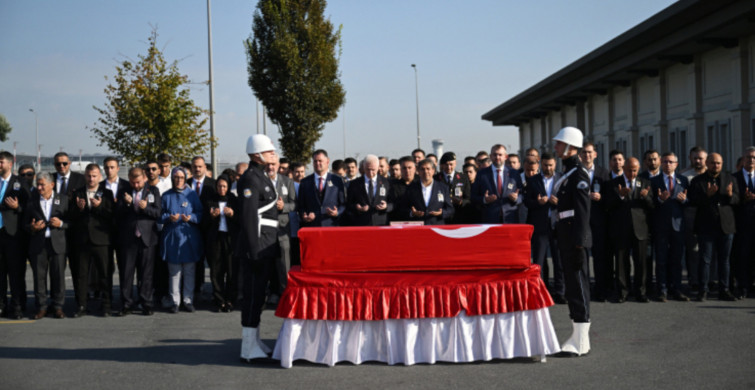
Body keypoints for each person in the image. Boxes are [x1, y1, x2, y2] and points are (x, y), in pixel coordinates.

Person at [238, 134, 279, 362]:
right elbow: (248, 217)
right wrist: (254, 250)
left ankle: (255, 340)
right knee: (252, 296)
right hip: (257, 245)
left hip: (266, 243)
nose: (273, 155)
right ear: (257, 154)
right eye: (269, 152)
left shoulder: (260, 175)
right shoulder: (250, 179)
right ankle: (247, 346)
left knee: (259, 295)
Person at [551, 126, 591, 357]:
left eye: (559, 143)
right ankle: (577, 336)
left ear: (569, 147)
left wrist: (580, 244)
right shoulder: (567, 172)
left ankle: (582, 339)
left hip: (574, 238)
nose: (555, 147)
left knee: (578, 286)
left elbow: (583, 214)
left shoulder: (579, 175)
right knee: (572, 286)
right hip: (566, 235)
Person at [689, 153, 739, 301]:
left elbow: (737, 200)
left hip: (726, 226)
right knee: (705, 259)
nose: (715, 166)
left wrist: (730, 195)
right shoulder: (698, 181)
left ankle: (724, 290)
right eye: (712, 163)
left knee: (725, 260)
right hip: (706, 226)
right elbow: (693, 201)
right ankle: (703, 290)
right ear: (707, 164)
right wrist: (707, 196)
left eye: (718, 163)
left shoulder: (731, 179)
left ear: (722, 163)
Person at [606, 157, 653, 303]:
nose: (631, 173)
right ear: (624, 169)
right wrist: (620, 196)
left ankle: (641, 292)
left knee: (641, 262)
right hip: (621, 228)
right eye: (629, 170)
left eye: (634, 170)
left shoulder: (645, 183)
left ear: (638, 169)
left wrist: (645, 198)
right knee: (621, 262)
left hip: (640, 229)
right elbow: (607, 206)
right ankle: (622, 292)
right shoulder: (613, 184)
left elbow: (652, 207)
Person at [69, 163, 114, 317]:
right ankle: (81, 305)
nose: (91, 179)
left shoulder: (106, 193)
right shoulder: (78, 193)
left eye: (94, 176)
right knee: (81, 275)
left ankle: (106, 305)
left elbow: (111, 216)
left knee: (104, 274)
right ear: (85, 176)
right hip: (82, 240)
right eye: (88, 175)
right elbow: (71, 216)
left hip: (101, 240)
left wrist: (99, 207)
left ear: (100, 177)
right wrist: (79, 209)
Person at [115, 167, 161, 316]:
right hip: (128, 239)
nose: (135, 185)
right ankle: (127, 303)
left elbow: (157, 213)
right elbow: (116, 213)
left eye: (138, 182)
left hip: (147, 238)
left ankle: (146, 303)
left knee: (146, 273)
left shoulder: (153, 191)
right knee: (126, 273)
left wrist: (146, 207)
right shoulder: (124, 191)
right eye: (133, 182)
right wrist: (127, 204)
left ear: (144, 178)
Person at [24, 172, 69, 319]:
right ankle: (41, 307)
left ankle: (58, 306)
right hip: (39, 244)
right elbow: (24, 224)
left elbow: (72, 222)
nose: (39, 187)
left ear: (52, 185)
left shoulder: (63, 200)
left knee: (58, 276)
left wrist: (61, 224)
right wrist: (32, 228)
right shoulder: (32, 201)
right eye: (38, 184)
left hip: (57, 243)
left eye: (42, 184)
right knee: (39, 277)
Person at [160, 167, 203, 313]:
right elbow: (159, 215)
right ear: (172, 179)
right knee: (174, 272)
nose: (179, 180)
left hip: (188, 237)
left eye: (182, 178)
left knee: (189, 270)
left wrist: (191, 218)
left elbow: (200, 213)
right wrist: (168, 217)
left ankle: (188, 300)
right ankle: (175, 301)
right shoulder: (166, 196)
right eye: (176, 177)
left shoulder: (192, 195)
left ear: (185, 179)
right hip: (172, 237)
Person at [523, 153, 564, 303]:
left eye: (551, 165)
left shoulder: (562, 179)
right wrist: (538, 202)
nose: (548, 168)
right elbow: (527, 202)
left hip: (557, 224)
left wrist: (558, 202)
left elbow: (569, 201)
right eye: (545, 165)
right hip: (540, 225)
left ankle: (560, 292)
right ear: (541, 165)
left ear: (555, 164)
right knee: (539, 260)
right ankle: (538, 291)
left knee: (558, 260)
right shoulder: (533, 180)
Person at [649, 152, 690, 302]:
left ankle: (677, 289)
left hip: (678, 226)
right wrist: (659, 199)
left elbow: (689, 201)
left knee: (677, 259)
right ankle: (662, 290)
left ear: (676, 164)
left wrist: (685, 200)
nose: (668, 164)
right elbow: (650, 203)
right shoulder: (653, 181)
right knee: (661, 260)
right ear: (660, 162)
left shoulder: (683, 180)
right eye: (665, 162)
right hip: (660, 226)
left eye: (671, 162)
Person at [580, 143, 613, 302]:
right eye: (584, 153)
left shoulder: (603, 173)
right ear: (580, 155)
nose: (587, 155)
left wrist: (602, 198)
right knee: (583, 256)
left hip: (599, 220)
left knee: (600, 256)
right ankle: (584, 290)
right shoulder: (575, 172)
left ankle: (601, 290)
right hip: (583, 221)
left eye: (589, 152)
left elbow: (610, 196)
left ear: (595, 154)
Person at [0, 151, 31, 319]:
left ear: (10, 164)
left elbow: (30, 207)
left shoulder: (20, 183)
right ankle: (1, 305)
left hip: (13, 234)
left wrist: (17, 208)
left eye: (1, 162)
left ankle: (17, 306)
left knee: (15, 273)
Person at [264, 154, 296, 306]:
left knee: (284, 264)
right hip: (265, 230)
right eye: (268, 164)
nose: (270, 167)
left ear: (278, 165)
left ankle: (286, 294)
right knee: (267, 264)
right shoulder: (261, 182)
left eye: (273, 164)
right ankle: (270, 293)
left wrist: (284, 207)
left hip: (283, 230)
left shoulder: (287, 182)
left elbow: (294, 204)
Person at [204, 175, 238, 312]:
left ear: (228, 187)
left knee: (231, 271)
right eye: (219, 186)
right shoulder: (210, 200)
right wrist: (212, 217)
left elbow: (240, 220)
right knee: (216, 270)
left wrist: (232, 214)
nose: (221, 189)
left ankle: (230, 300)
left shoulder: (233, 200)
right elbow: (204, 222)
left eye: (224, 186)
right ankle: (219, 299)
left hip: (230, 239)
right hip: (215, 239)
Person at [471, 144, 523, 224]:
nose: (497, 157)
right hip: (490, 219)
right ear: (490, 156)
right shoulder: (482, 174)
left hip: (510, 218)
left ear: (505, 157)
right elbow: (473, 196)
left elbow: (522, 194)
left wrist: (516, 198)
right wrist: (485, 200)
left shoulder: (514, 173)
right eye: (495, 155)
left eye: (500, 155)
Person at [680, 146, 707, 291]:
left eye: (701, 158)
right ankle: (694, 279)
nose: (698, 161)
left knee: (709, 251)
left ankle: (709, 279)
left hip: (709, 217)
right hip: (691, 215)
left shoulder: (712, 174)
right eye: (695, 158)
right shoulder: (684, 176)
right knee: (693, 250)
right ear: (690, 158)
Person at [297, 150, 346, 227]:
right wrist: (304, 216)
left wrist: (337, 212)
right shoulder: (305, 182)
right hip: (312, 226)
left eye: (320, 161)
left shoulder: (337, 180)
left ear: (327, 161)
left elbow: (343, 204)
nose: (317, 163)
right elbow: (301, 206)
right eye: (315, 161)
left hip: (331, 225)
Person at [733, 146, 755, 299]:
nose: (751, 160)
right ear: (743, 159)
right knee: (743, 256)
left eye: (754, 158)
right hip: (742, 224)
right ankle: (743, 286)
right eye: (748, 157)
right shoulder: (734, 178)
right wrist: (742, 199)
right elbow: (731, 199)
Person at [346, 154, 392, 226]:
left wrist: (386, 206)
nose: (370, 173)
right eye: (368, 169)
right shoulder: (354, 184)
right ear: (364, 167)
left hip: (381, 223)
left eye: (373, 170)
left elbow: (393, 202)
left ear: (377, 168)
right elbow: (348, 204)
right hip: (361, 224)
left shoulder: (386, 182)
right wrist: (357, 207)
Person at [406, 159, 453, 225]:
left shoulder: (443, 188)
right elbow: (403, 208)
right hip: (418, 227)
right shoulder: (411, 188)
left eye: (428, 169)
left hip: (437, 227)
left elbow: (450, 209)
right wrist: (412, 213)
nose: (425, 171)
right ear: (418, 171)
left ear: (433, 171)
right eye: (422, 169)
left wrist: (442, 213)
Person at [434, 152, 471, 224]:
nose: (449, 167)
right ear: (442, 165)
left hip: (458, 216)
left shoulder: (463, 178)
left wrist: (460, 202)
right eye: (446, 165)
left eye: (451, 164)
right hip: (442, 217)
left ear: (455, 163)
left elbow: (468, 198)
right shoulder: (436, 179)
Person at [388, 156, 416, 222]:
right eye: (404, 168)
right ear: (400, 169)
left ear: (414, 169)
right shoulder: (392, 186)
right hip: (397, 221)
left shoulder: (420, 185)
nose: (407, 170)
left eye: (409, 168)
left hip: (417, 222)